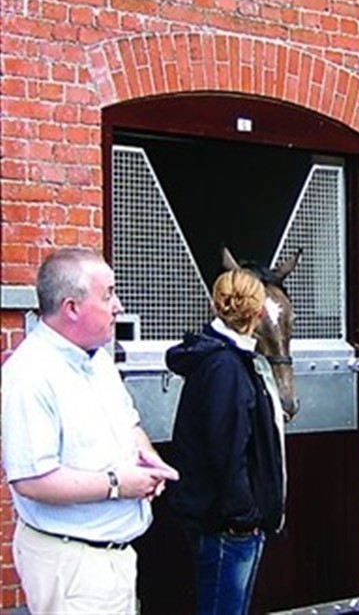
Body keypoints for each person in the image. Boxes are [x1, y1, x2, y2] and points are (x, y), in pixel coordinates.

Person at [1, 248, 179, 614]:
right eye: (108, 294)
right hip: (73, 564)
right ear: (71, 307)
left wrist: (148, 459)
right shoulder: (30, 375)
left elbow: (128, 422)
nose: (118, 306)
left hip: (111, 558)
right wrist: (118, 484)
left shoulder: (97, 360)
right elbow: (31, 481)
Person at [165, 267, 287, 615]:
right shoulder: (226, 367)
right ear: (259, 313)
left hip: (224, 520)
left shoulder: (230, 360)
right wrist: (244, 517)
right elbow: (227, 450)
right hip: (228, 526)